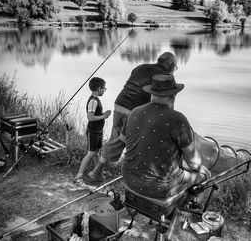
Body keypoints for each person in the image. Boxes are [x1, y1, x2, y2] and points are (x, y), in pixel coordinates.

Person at [88, 52, 178, 181]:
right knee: (136, 143)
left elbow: (132, 83)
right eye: (175, 67)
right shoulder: (166, 78)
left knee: (115, 139)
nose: (174, 70)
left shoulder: (141, 67)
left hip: (120, 103)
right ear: (170, 65)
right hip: (135, 111)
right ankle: (132, 177)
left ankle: (97, 171)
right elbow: (168, 103)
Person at [121, 74, 210, 199]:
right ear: (174, 95)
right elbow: (194, 163)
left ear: (152, 93)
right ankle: (192, 212)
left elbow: (124, 139)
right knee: (204, 173)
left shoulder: (134, 111)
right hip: (160, 188)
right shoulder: (178, 119)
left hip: (128, 178)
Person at [74, 77, 111, 186]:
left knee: (96, 152)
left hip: (98, 130)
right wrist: (104, 116)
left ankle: (98, 172)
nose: (104, 90)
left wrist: (103, 114)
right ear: (99, 88)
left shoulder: (96, 100)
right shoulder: (93, 101)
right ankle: (79, 177)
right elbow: (90, 118)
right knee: (91, 153)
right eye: (104, 88)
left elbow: (95, 115)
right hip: (93, 131)